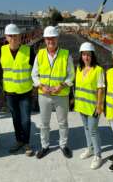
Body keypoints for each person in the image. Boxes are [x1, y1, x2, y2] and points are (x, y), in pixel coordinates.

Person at [31, 26, 74, 159]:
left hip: (61, 95)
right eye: (48, 38)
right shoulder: (40, 54)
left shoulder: (66, 54)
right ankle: (45, 146)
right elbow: (34, 74)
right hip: (44, 95)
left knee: (63, 122)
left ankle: (63, 145)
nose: (51, 41)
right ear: (44, 40)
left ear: (57, 39)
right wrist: (40, 86)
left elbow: (71, 75)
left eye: (53, 38)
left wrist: (61, 85)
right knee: (44, 123)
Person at [0, 24, 35, 156]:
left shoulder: (29, 50)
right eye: (10, 36)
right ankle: (19, 141)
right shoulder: (2, 50)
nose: (13, 38)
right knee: (15, 118)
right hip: (10, 92)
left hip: (25, 91)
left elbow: (36, 70)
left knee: (25, 119)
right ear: (6, 37)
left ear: (20, 37)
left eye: (16, 36)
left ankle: (26, 143)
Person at [74, 42, 104, 169]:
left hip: (93, 106)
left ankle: (98, 155)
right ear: (81, 56)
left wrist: (99, 105)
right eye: (84, 55)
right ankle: (90, 149)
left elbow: (100, 89)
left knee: (93, 130)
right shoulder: (79, 69)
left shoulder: (98, 70)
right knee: (86, 128)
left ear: (92, 56)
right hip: (81, 105)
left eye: (88, 55)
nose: (86, 57)